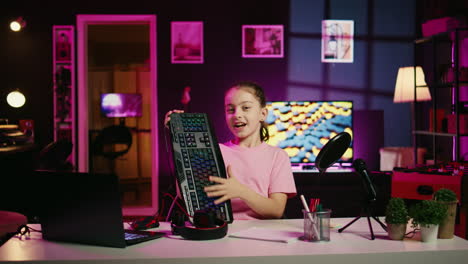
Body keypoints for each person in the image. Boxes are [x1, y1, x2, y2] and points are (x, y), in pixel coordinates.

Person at [165, 81, 296, 220]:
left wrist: (240, 191)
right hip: (223, 232)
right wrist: (178, 140)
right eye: (230, 109)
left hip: (263, 235)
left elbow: (276, 210)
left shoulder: (277, 156)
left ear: (262, 114)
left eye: (245, 108)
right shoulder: (215, 151)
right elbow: (184, 195)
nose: (236, 115)